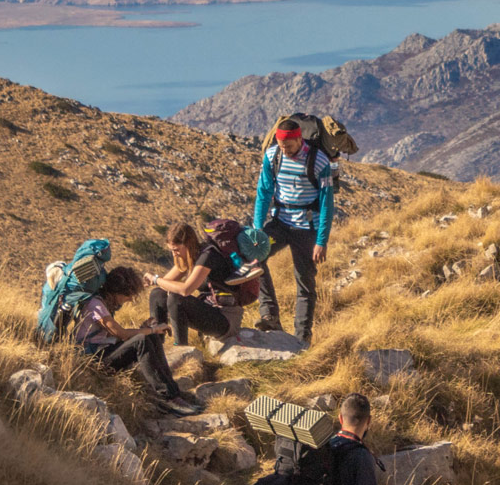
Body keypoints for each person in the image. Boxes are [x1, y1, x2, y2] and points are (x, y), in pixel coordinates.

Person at [252, 118, 336, 343]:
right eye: (281, 145)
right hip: (280, 223)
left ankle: (302, 339)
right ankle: (269, 315)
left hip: (307, 228)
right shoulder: (273, 156)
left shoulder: (319, 161)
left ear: (299, 139)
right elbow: (264, 192)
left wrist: (321, 240)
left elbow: (327, 204)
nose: (285, 150)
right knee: (254, 256)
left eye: (288, 146)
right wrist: (257, 229)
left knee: (305, 283)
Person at [73, 265, 197, 415]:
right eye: (128, 295)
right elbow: (121, 334)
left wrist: (146, 329)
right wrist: (150, 330)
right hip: (95, 359)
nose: (130, 299)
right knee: (142, 340)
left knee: (148, 337)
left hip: (105, 350)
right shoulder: (96, 305)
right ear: (116, 292)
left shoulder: (105, 303)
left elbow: (114, 335)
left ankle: (173, 392)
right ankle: (166, 398)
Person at [146, 220, 263, 371]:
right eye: (171, 250)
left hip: (226, 318)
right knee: (157, 294)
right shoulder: (191, 256)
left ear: (187, 244)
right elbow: (165, 284)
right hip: (209, 311)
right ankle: (157, 346)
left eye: (176, 249)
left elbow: (185, 290)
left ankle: (181, 352)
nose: (174, 253)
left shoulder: (208, 255)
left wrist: (155, 279)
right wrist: (154, 282)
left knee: (177, 298)